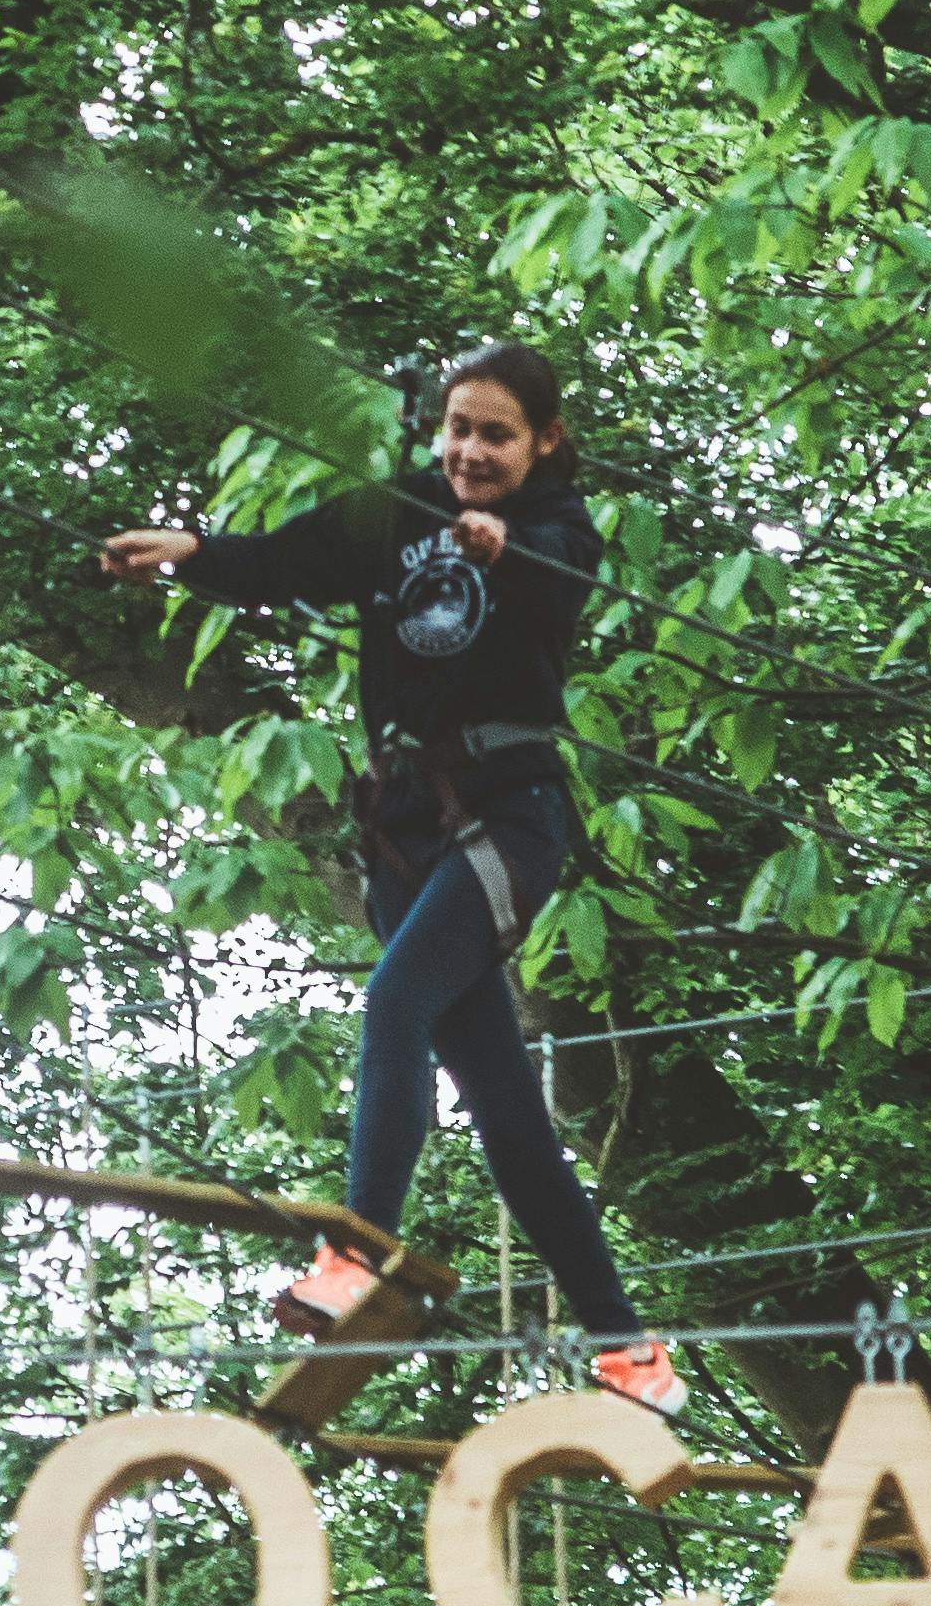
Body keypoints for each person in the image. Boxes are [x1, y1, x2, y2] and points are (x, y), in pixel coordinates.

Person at [101, 342, 680, 1412]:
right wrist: (188, 550)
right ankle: (630, 1350)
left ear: (544, 441)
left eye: (496, 435)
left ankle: (354, 1255)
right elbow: (288, 560)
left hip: (507, 817)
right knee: (507, 1111)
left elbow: (551, 580)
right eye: (458, 429)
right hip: (403, 836)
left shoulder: (559, 529)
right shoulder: (405, 507)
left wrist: (502, 545)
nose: (469, 452)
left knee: (396, 1001)